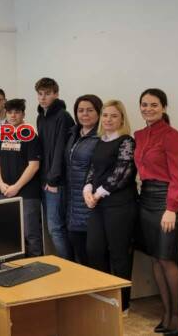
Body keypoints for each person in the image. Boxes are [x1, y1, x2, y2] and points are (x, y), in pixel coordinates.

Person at [134, 89, 178, 335]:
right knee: (156, 258)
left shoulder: (172, 136)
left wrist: (171, 208)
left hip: (168, 201)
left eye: (154, 105)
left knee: (167, 258)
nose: (148, 109)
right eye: (144, 104)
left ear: (164, 107)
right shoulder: (139, 135)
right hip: (146, 198)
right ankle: (166, 313)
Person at [83, 99, 138, 312]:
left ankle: (122, 305)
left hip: (120, 205)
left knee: (119, 254)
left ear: (122, 119)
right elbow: (93, 169)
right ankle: (105, 298)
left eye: (114, 116)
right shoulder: (101, 141)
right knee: (94, 249)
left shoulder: (126, 142)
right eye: (105, 115)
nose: (108, 119)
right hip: (98, 204)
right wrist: (87, 189)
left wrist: (98, 193)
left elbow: (122, 173)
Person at [0, 99, 43, 256]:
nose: (13, 115)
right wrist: (1, 184)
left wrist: (16, 187)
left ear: (23, 114)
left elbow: (34, 165)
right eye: (10, 112)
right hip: (5, 192)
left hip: (27, 194)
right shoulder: (1, 135)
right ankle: (14, 266)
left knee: (30, 234)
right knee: (9, 234)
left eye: (17, 112)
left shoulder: (31, 136)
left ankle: (36, 266)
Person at [35, 77, 75, 260]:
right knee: (52, 228)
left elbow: (61, 149)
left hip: (56, 182)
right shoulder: (41, 117)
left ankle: (70, 267)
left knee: (55, 228)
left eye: (47, 94)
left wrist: (53, 179)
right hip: (44, 180)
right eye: (40, 94)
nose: (43, 98)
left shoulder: (63, 116)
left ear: (56, 94)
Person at [63, 95, 102, 264]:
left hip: (91, 202)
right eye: (80, 110)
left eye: (90, 110)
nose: (85, 114)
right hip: (73, 203)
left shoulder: (101, 137)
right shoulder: (73, 134)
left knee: (94, 257)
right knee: (79, 253)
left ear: (99, 113)